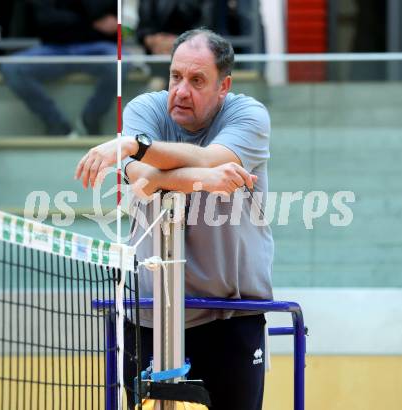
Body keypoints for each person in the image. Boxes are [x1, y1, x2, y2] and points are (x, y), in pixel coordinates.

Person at [75, 29, 274, 410]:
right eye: (175, 76)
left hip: (230, 315)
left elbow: (209, 158)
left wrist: (137, 147)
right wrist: (204, 180)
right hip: (150, 314)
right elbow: (143, 181)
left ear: (223, 86)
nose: (181, 91)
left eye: (197, 80)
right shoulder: (144, 109)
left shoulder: (249, 115)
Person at [1, 0, 119, 136]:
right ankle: (57, 124)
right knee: (12, 68)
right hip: (53, 48)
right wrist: (91, 20)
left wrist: (77, 18)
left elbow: (113, 22)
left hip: (96, 47)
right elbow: (45, 21)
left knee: (122, 60)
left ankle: (90, 118)